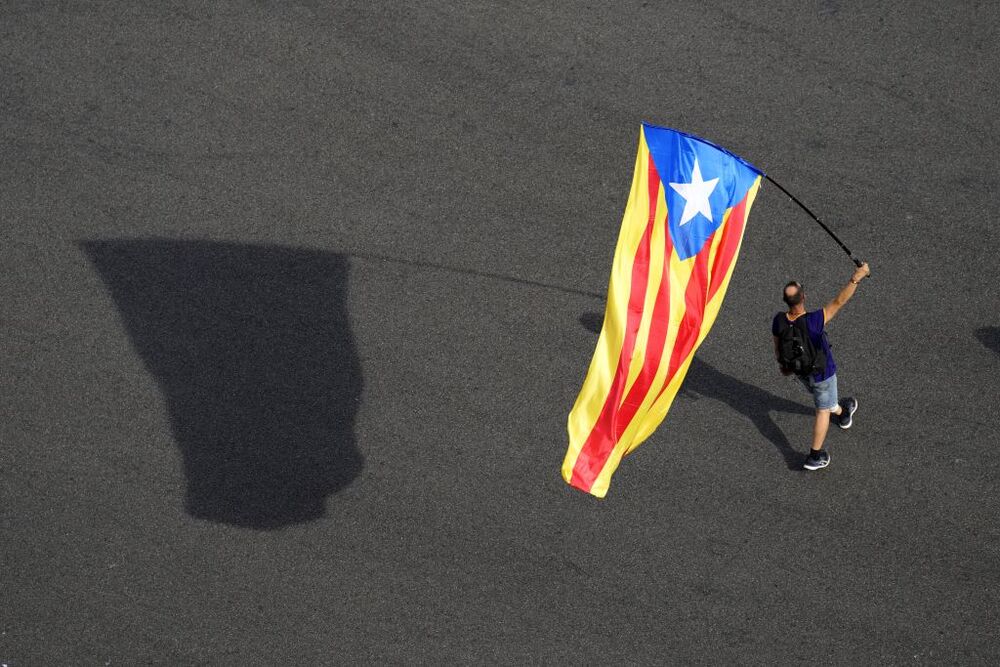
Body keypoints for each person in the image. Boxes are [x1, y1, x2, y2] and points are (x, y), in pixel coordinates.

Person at [772, 262, 871, 470]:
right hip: (821, 374)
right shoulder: (814, 321)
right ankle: (814, 456)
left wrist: (784, 366)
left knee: (826, 399)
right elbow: (839, 301)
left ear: (786, 302)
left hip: (800, 372)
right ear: (803, 297)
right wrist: (857, 277)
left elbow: (778, 347)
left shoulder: (779, 321)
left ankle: (843, 412)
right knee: (822, 410)